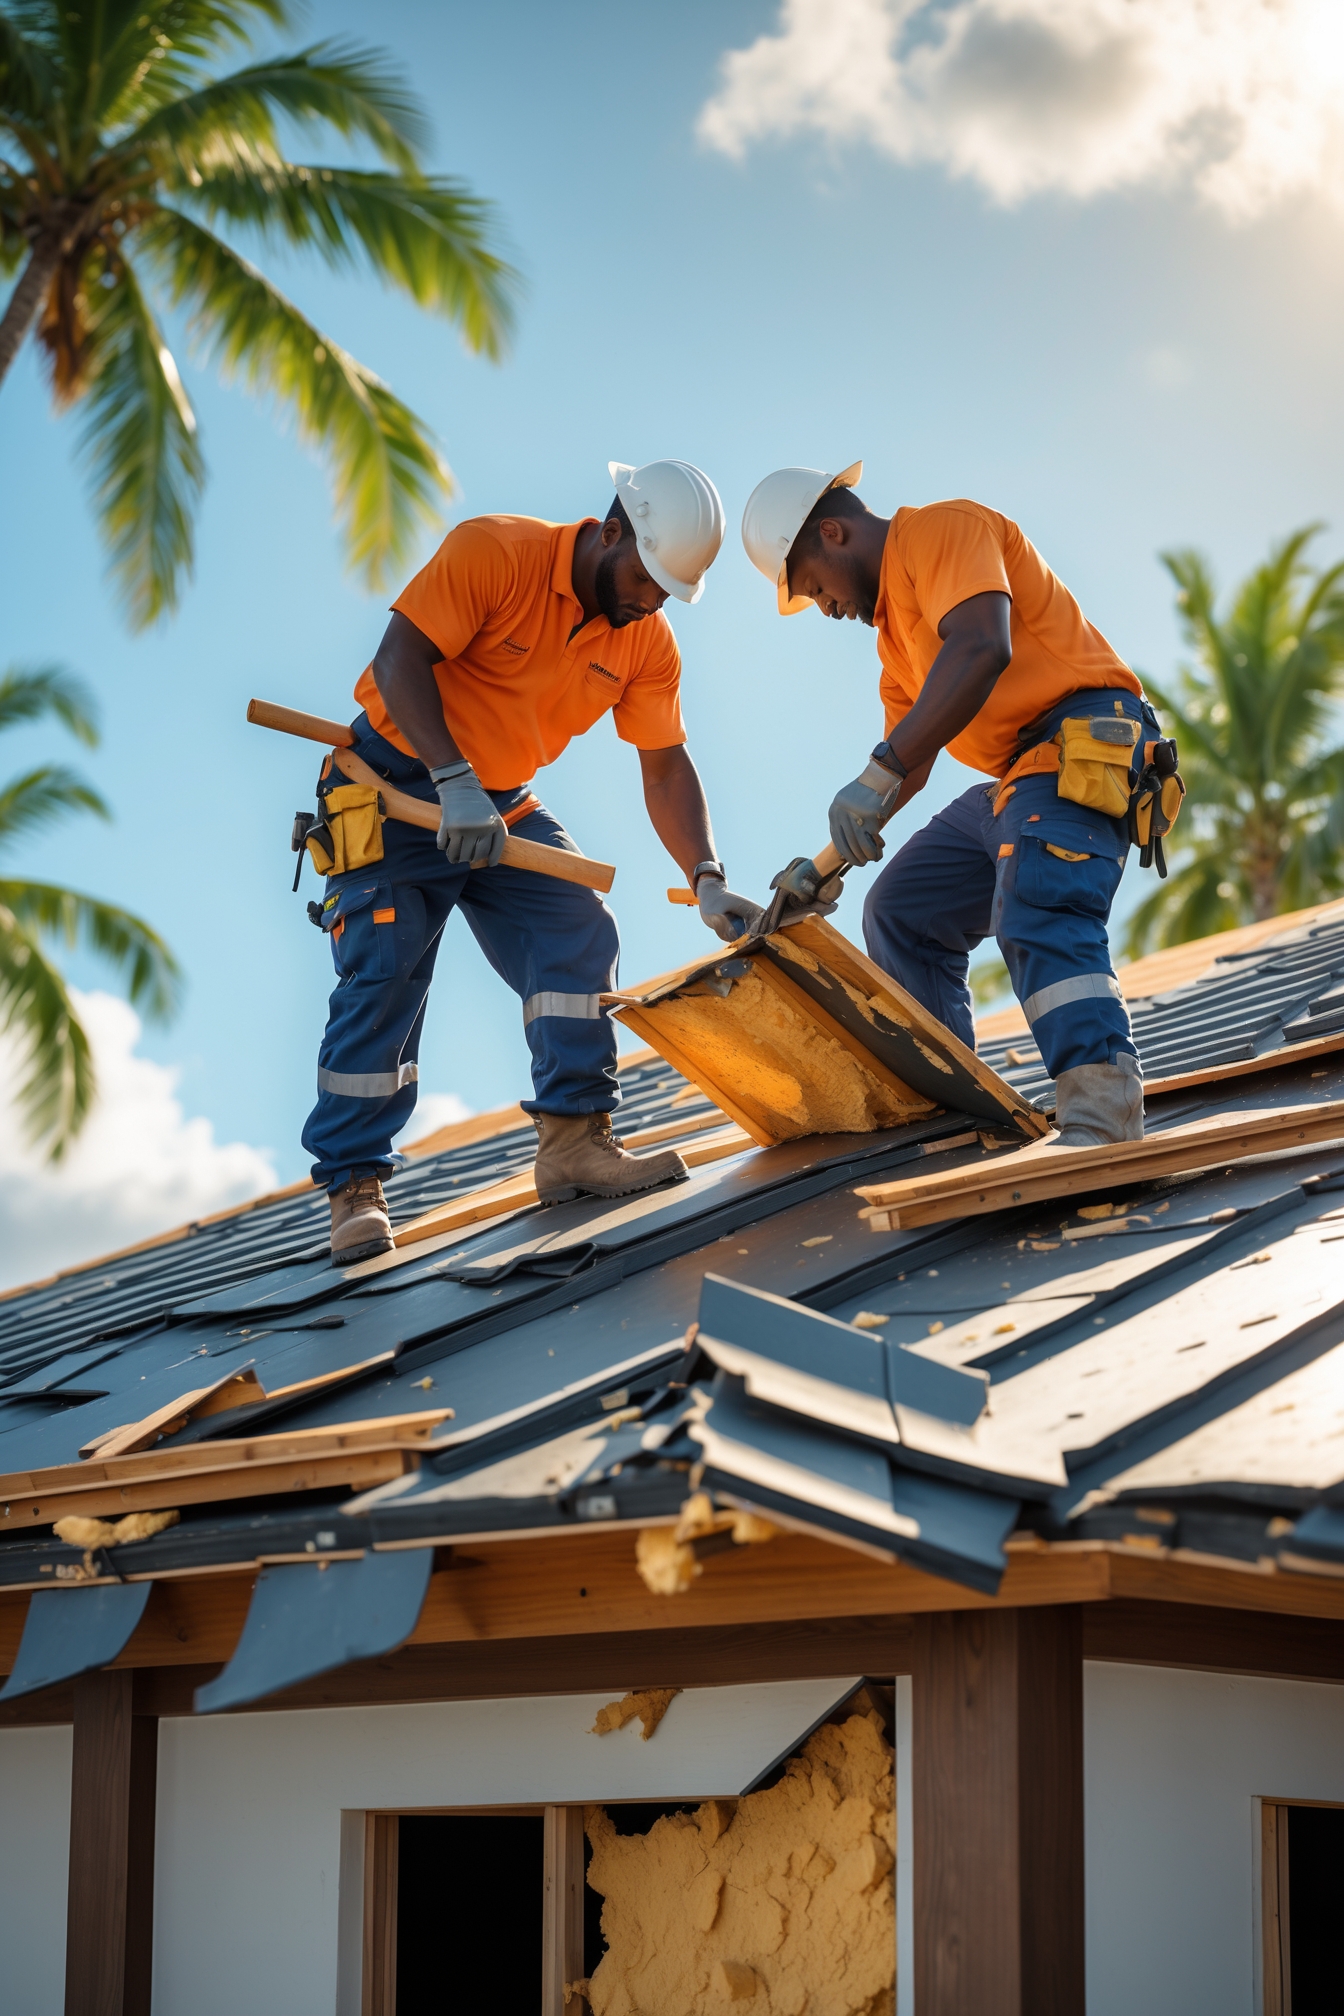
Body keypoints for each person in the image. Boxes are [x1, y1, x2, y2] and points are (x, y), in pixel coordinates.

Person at [305, 459, 763, 1263]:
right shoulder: (496, 553)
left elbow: (664, 765)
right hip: (392, 786)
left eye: (668, 590)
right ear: (612, 531)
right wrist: (451, 782)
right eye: (647, 577)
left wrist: (707, 878)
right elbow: (397, 662)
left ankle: (574, 1143)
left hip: (500, 799)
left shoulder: (646, 642)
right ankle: (354, 1187)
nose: (653, 600)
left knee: (579, 927)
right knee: (385, 962)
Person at [741, 461, 1163, 1147]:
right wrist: (822, 871)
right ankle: (964, 1112)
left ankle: (1102, 1116)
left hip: (1078, 741)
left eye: (815, 587)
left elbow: (980, 647)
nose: (826, 608)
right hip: (1016, 780)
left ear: (833, 531)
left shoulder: (942, 529)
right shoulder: (895, 648)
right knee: (901, 909)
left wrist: (880, 772)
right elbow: (908, 758)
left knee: (1036, 903)